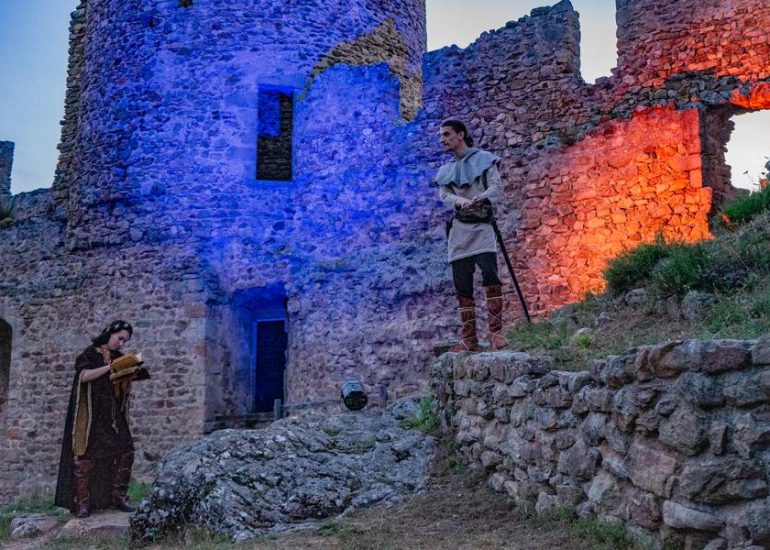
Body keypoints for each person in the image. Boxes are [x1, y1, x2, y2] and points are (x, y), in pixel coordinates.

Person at [435, 119, 508, 352]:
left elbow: (496, 187)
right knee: (462, 284)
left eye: (447, 135)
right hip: (459, 230)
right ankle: (470, 340)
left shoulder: (484, 159)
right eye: (441, 136)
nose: (442, 140)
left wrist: (480, 198)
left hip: (482, 227)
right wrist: (461, 201)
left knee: (490, 275)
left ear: (461, 134)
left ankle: (496, 333)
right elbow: (444, 195)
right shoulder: (445, 170)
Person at [55, 320, 137, 517]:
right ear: (110, 333)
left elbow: (120, 383)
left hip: (113, 412)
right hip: (92, 413)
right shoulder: (90, 354)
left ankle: (118, 497)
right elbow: (83, 376)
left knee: (126, 449)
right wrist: (109, 369)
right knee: (86, 455)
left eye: (125, 341)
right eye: (120, 339)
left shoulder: (119, 357)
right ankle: (82, 503)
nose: (121, 344)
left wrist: (129, 373)